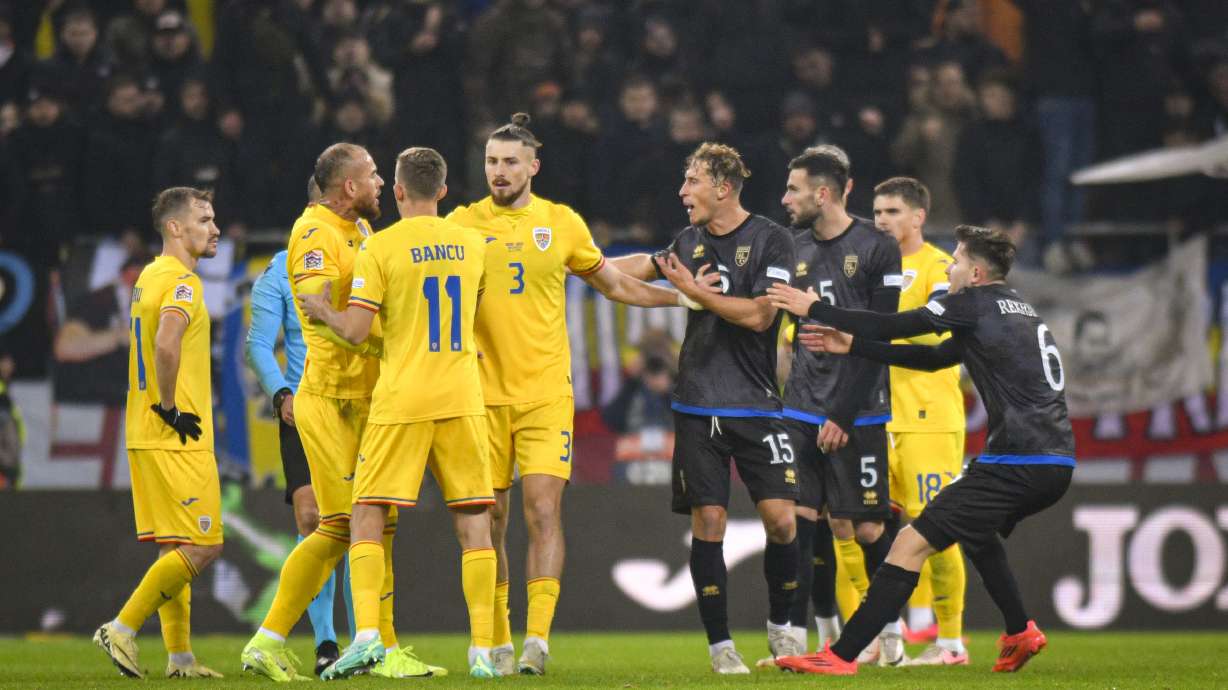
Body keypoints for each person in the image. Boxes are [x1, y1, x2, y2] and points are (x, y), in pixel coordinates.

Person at [446, 113, 695, 676]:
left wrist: (681, 299)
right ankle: (496, 638)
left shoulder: (561, 224)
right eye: (491, 161)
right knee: (491, 517)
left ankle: (536, 639)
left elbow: (614, 283)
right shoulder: (458, 224)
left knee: (542, 509)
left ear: (533, 167)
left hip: (544, 395)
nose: (499, 171)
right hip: (480, 397)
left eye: (510, 162)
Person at [768, 225, 1074, 675]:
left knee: (908, 544)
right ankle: (1019, 631)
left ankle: (840, 656)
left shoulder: (969, 302)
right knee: (977, 534)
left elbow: (899, 325)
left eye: (956, 259)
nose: (949, 266)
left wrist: (815, 308)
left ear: (974, 272)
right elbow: (933, 358)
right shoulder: (1018, 307)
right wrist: (856, 345)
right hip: (1052, 459)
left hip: (1018, 461)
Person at [299, 147, 500, 679]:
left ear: (402, 191)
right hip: (461, 397)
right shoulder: (474, 245)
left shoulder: (380, 247)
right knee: (474, 519)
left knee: (365, 512)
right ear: (444, 189)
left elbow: (356, 331)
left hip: (402, 398)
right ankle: (483, 649)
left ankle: (366, 636)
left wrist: (322, 309)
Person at [242, 143, 441, 681]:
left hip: (364, 398)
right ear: (348, 187)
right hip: (331, 400)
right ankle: (295, 639)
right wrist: (389, 345)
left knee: (374, 522)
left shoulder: (361, 233)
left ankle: (377, 644)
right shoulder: (313, 234)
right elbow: (322, 319)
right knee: (342, 524)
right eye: (374, 175)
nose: (382, 183)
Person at [610, 142, 799, 674]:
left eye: (692, 181)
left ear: (722, 187)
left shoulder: (771, 240)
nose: (682, 191)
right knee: (709, 518)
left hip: (758, 404)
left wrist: (695, 294)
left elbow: (763, 316)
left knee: (782, 520)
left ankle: (782, 629)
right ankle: (721, 647)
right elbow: (640, 271)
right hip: (697, 405)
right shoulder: (688, 241)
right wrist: (583, 263)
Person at [774, 146, 904, 666]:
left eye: (793, 190)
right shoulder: (792, 248)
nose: (785, 199)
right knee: (799, 522)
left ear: (822, 193)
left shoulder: (877, 248)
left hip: (860, 411)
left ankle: (889, 634)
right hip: (801, 407)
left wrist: (843, 416)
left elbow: (883, 339)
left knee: (868, 528)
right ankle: (806, 636)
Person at [93, 186, 223, 679]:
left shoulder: (148, 276)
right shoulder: (183, 284)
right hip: (176, 434)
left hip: (142, 432)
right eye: (204, 219)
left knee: (176, 545)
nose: (214, 229)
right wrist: (171, 409)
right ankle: (122, 628)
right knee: (204, 545)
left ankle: (180, 657)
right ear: (175, 228)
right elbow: (167, 344)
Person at [243, 176, 351, 676]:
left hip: (353, 404)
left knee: (363, 522)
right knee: (314, 520)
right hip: (303, 408)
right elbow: (258, 344)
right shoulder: (281, 270)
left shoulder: (361, 252)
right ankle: (326, 642)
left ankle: (370, 636)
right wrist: (281, 392)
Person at [871, 177, 969, 665]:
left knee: (936, 527)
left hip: (930, 418)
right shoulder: (870, 267)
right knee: (865, 529)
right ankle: (880, 637)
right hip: (876, 417)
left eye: (892, 211)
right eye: (877, 212)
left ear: (917, 217)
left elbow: (936, 334)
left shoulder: (939, 266)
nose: (882, 220)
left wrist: (864, 337)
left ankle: (949, 643)